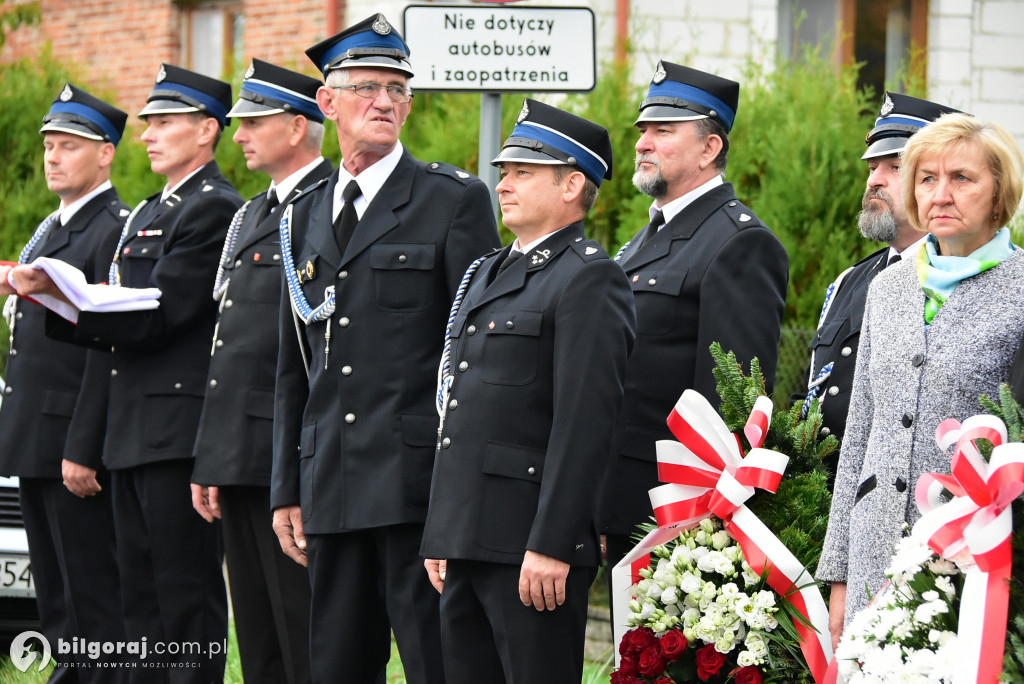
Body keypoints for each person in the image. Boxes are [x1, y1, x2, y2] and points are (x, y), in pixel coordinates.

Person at [270, 14, 500, 683]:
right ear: (328, 102)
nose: (385, 102)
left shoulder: (451, 201)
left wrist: (461, 497)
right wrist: (289, 485)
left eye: (399, 89)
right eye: (367, 87)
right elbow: (296, 364)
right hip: (333, 487)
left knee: (436, 663)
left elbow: (473, 357)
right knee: (337, 666)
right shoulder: (304, 214)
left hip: (415, 491)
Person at [13, 64, 243, 681]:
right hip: (131, 430)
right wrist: (67, 297)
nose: (149, 134)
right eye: (147, 123)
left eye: (164, 123)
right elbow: (119, 318)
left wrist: (66, 299)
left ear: (205, 132)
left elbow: (160, 312)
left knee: (183, 600)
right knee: (141, 605)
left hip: (173, 430)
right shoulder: (149, 209)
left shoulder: (213, 208)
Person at [420, 98, 636, 684]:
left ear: (571, 185)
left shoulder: (590, 276)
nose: (505, 183)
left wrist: (554, 543)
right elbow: (462, 415)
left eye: (523, 172)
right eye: (504, 171)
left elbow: (584, 423)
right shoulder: (490, 270)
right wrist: (445, 530)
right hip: (469, 538)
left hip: (529, 548)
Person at [817, 112, 1024, 648]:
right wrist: (837, 573)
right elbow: (860, 433)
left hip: (972, 558)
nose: (941, 193)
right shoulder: (887, 288)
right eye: (927, 178)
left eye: (962, 178)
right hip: (873, 551)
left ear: (999, 193)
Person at [597, 61, 789, 583]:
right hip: (619, 495)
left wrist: (704, 526)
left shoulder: (738, 241)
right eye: (642, 130)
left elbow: (734, 403)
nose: (642, 143)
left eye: (664, 131)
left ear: (710, 149)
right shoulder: (643, 240)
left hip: (676, 512)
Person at [190, 59, 331, 684]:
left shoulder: (327, 206)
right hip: (241, 453)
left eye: (253, 122)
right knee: (257, 633)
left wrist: (290, 473)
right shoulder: (250, 215)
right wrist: (212, 457)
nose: (238, 134)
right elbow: (231, 347)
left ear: (297, 126)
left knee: (302, 629)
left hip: (290, 455)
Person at [0, 84, 128, 682]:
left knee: (92, 598)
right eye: (49, 145)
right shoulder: (52, 228)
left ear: (105, 154)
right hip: (35, 435)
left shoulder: (112, 230)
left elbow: (108, 351)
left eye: (69, 146)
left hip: (72, 443)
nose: (52, 157)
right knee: (55, 598)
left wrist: (85, 445)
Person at [794, 93, 962, 475]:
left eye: (894, 166)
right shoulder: (850, 280)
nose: (873, 180)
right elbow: (813, 394)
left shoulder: (965, 278)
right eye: (872, 167)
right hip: (819, 501)